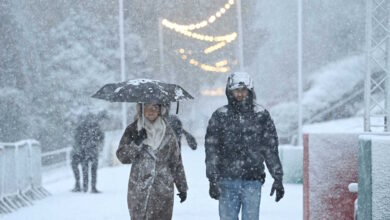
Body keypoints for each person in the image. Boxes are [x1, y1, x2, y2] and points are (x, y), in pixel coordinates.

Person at [204, 72, 285, 220]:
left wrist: (277, 177)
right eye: (236, 90)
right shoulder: (220, 116)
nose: (240, 94)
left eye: (243, 90)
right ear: (230, 92)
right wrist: (212, 178)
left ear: (250, 91)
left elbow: (270, 148)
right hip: (226, 180)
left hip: (252, 180)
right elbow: (212, 150)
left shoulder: (261, 115)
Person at [116, 103, 188, 220]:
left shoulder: (168, 131)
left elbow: (176, 162)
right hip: (139, 190)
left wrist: (182, 186)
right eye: (147, 107)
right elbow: (122, 157)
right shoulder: (133, 129)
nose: (151, 111)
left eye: (154, 107)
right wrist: (137, 143)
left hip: (163, 189)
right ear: (141, 109)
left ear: (160, 110)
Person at [72, 113, 104, 193]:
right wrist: (97, 144)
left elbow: (76, 138)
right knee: (93, 170)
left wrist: (80, 146)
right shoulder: (95, 126)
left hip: (84, 151)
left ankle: (85, 187)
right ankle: (92, 187)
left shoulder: (81, 127)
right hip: (92, 150)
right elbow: (101, 136)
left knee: (85, 169)